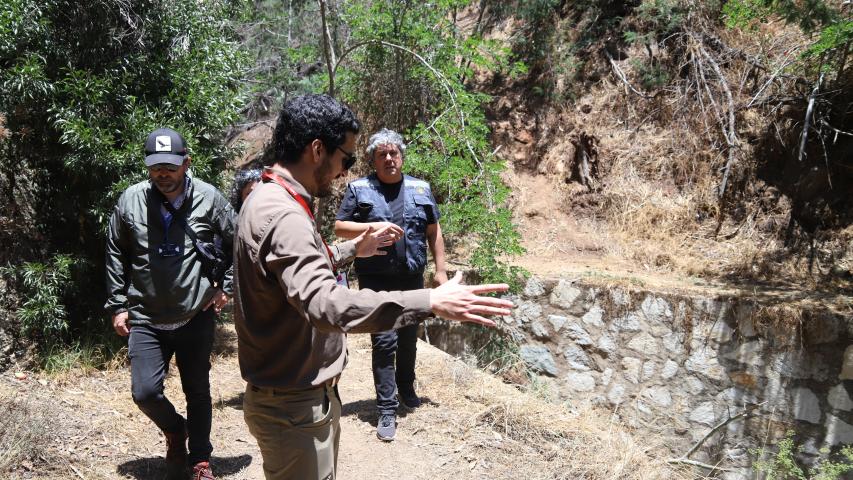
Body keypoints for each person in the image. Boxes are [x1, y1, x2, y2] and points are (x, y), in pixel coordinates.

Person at [232, 94, 513, 480]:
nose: (344, 172)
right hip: (294, 405)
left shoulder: (270, 197)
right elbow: (327, 306)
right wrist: (430, 301)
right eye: (345, 159)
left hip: (294, 397)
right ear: (317, 149)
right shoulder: (283, 214)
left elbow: (295, 266)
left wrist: (352, 248)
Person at [105, 127, 234, 480]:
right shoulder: (130, 200)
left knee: (198, 389)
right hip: (146, 315)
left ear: (186, 163)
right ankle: (176, 430)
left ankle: (201, 460)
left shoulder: (209, 198)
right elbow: (116, 251)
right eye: (155, 166)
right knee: (144, 392)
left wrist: (228, 286)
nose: (162, 173)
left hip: (194, 312)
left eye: (170, 166)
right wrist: (118, 305)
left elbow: (239, 240)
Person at [334, 128, 446, 441]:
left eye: (393, 153)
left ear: (401, 156)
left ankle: (407, 387)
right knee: (384, 341)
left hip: (411, 276)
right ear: (373, 160)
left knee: (409, 337)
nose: (388, 158)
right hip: (376, 278)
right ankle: (386, 407)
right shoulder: (359, 189)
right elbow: (340, 227)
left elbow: (434, 231)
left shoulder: (420, 189)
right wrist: (372, 226)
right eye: (381, 154)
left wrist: (441, 271)